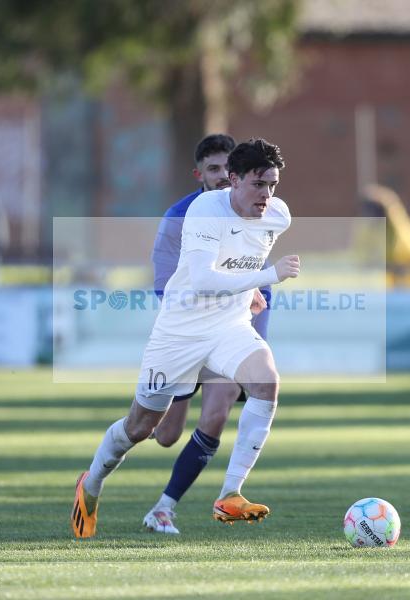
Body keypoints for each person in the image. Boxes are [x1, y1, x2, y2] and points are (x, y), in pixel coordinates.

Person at [71, 138, 299, 538]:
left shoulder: (277, 216)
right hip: (180, 332)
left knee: (266, 382)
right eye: (258, 184)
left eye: (273, 185)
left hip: (229, 328)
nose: (267, 195)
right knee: (143, 428)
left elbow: (239, 257)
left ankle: (231, 493)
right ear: (233, 180)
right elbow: (204, 279)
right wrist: (267, 278)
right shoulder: (204, 211)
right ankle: (90, 484)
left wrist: (249, 295)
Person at [143, 134, 272, 535]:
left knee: (216, 415)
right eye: (212, 169)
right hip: (187, 332)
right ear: (199, 173)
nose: (220, 177)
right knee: (165, 434)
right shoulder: (181, 217)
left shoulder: (255, 211)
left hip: (230, 332)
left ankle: (165, 508)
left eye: (226, 170)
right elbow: (166, 284)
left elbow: (261, 277)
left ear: (237, 175)